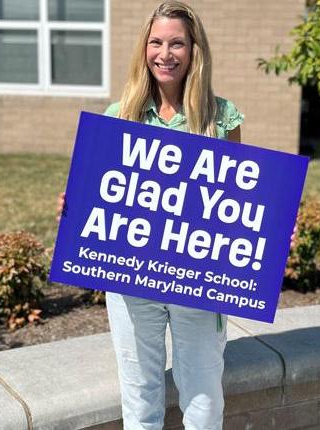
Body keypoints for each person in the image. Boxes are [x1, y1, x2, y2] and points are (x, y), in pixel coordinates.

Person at [59, 2, 243, 429]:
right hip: (131, 280)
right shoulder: (118, 117)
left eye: (177, 42)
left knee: (204, 400)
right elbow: (101, 195)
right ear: (144, 49)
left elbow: (238, 201)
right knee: (140, 395)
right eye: (156, 42)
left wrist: (265, 233)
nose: (166, 53)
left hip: (196, 279)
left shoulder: (221, 119)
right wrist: (75, 208)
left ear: (195, 50)